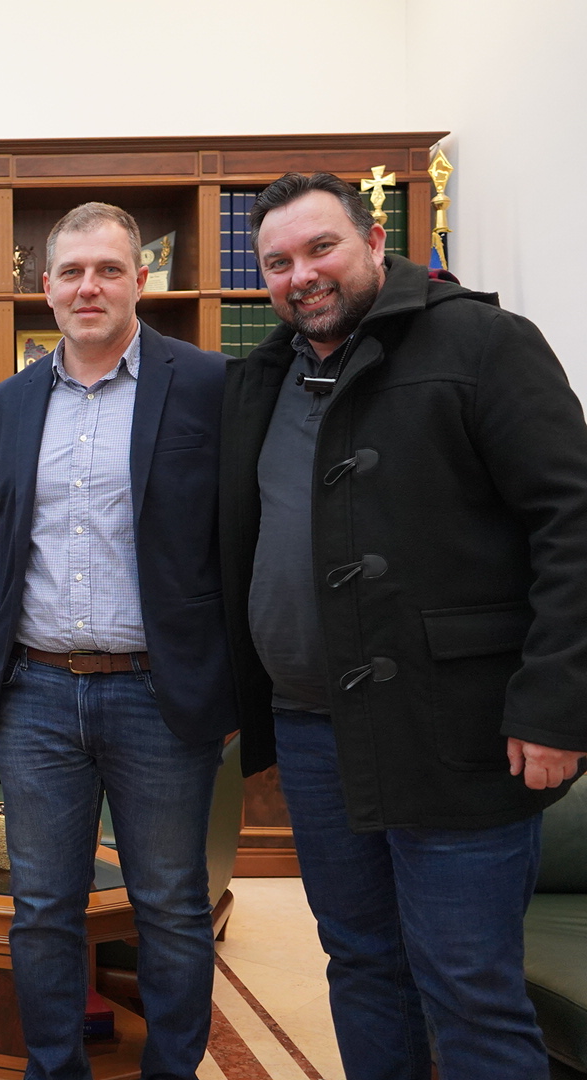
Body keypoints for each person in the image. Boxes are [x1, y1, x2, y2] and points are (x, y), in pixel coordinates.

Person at [221, 171, 587, 1080]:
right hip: (314, 732)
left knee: (468, 988)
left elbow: (572, 525)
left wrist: (557, 705)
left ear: (376, 241)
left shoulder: (486, 343)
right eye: (277, 262)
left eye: (321, 248)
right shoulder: (264, 375)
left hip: (456, 728)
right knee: (362, 965)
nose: (302, 274)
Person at [0, 203, 237, 1080]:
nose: (89, 287)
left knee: (170, 907)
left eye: (108, 269)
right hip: (36, 693)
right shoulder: (14, 400)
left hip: (159, 692)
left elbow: (238, 534)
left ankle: (172, 1072)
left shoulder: (211, 384)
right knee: (41, 909)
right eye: (72, 272)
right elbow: (2, 541)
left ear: (140, 279)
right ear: (46, 287)